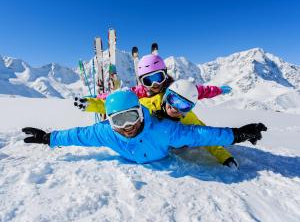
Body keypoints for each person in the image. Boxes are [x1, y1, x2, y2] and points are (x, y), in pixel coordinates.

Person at [22, 91, 267, 164]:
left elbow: (201, 134)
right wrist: (48, 138)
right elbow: (77, 135)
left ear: (141, 112)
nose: (128, 126)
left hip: (166, 150)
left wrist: (238, 134)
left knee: (187, 140)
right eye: (119, 120)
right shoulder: (105, 132)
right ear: (109, 121)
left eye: (132, 117)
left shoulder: (162, 128)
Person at [75, 80, 238, 168]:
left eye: (183, 106)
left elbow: (205, 137)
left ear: (189, 109)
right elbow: (121, 108)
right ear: (167, 96)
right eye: (173, 100)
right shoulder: (148, 103)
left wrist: (224, 157)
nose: (174, 108)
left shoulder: (189, 118)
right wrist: (92, 105)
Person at [95, 54, 231, 99]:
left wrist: (218, 90)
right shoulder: (140, 92)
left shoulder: (175, 89)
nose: (155, 84)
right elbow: (120, 96)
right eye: (148, 80)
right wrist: (98, 98)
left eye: (158, 77)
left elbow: (199, 91)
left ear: (165, 74)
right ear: (142, 82)